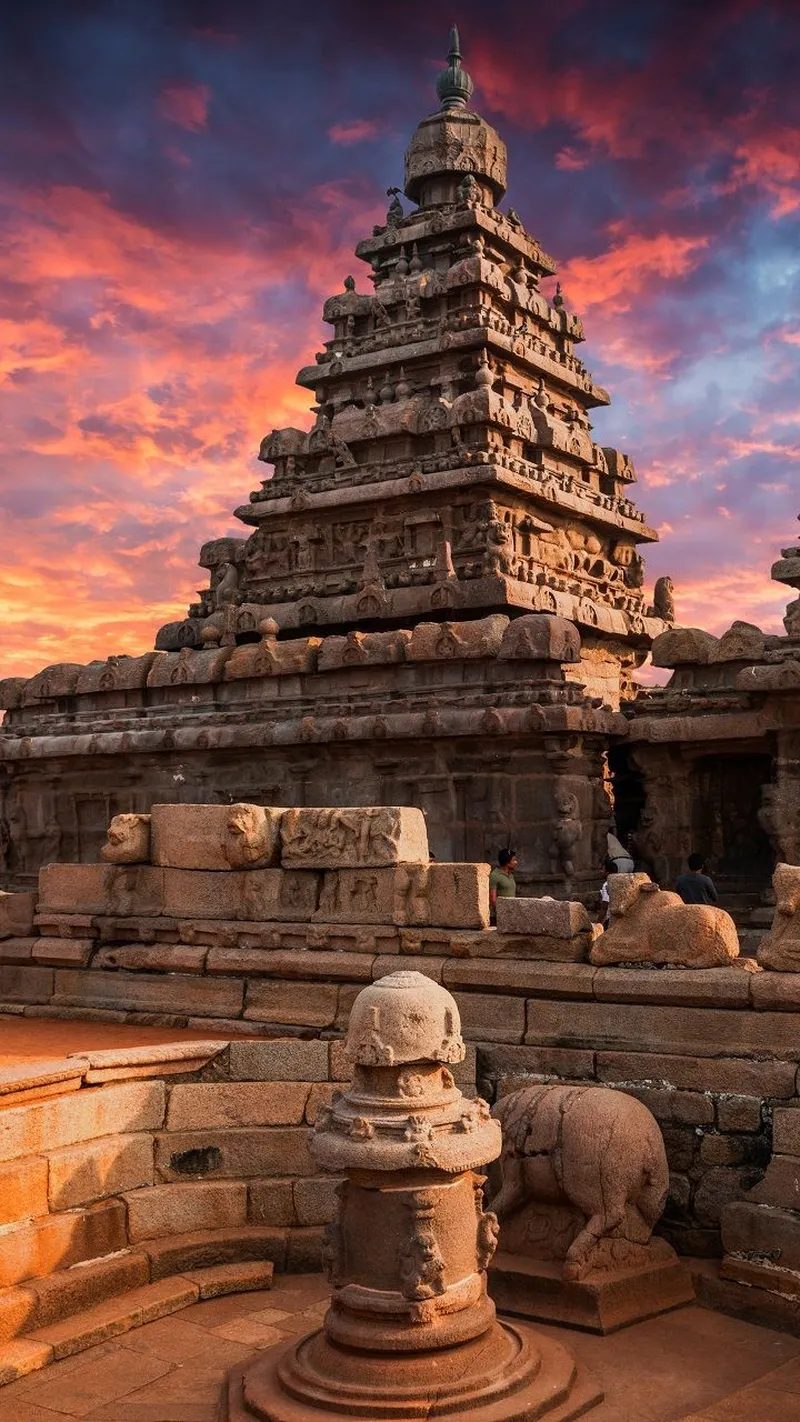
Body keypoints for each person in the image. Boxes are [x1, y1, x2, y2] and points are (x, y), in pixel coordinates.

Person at [489, 847, 517, 920]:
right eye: (514, 860)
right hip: (500, 917)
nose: (516, 862)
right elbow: (493, 900)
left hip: (512, 914)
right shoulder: (495, 875)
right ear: (507, 862)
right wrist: (502, 914)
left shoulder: (510, 875)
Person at [599, 858, 617, 929]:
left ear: (607, 873)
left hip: (610, 919)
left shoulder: (606, 885)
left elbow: (604, 907)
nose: (600, 871)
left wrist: (598, 923)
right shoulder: (617, 883)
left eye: (602, 869)